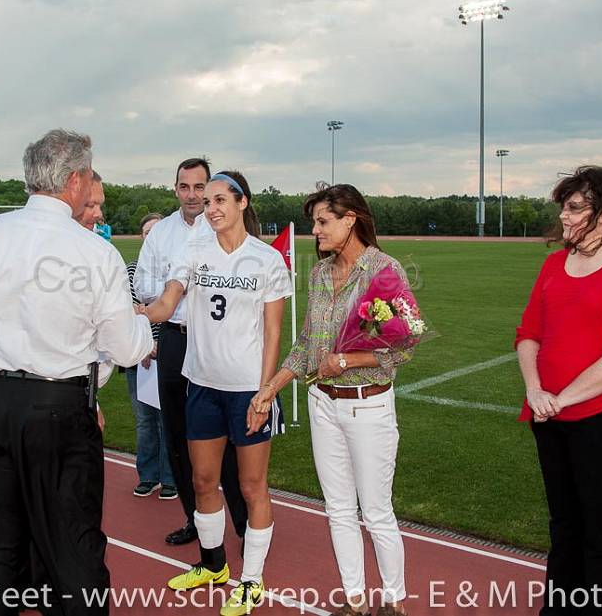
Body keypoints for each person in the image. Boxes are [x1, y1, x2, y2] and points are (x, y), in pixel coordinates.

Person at [0, 128, 154, 616]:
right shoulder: (95, 252)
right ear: (74, 180)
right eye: (89, 175)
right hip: (59, 413)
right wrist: (144, 331)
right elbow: (122, 346)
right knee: (73, 557)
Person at [256, 184, 414, 616]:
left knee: (377, 512)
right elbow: (307, 342)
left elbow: (404, 344)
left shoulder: (384, 270)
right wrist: (271, 386)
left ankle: (395, 603)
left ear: (351, 220)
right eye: (314, 222)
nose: (316, 230)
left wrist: (346, 360)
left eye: (323, 221)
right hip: (323, 405)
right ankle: (355, 601)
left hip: (368, 405)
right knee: (338, 509)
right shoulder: (320, 273)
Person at [142, 171, 291, 616]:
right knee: (203, 480)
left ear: (243, 203)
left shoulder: (266, 260)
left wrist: (264, 393)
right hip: (201, 385)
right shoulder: (194, 251)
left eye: (221, 199)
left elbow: (273, 332)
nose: (211, 208)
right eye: (207, 201)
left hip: (246, 389)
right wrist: (135, 313)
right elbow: (168, 303)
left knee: (250, 485)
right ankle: (213, 564)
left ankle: (252, 579)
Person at [515, 166, 602, 616]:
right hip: (549, 418)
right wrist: (536, 390)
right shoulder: (554, 264)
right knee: (566, 525)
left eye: (575, 207)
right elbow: (528, 333)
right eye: (564, 206)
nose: (565, 217)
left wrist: (562, 398)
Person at [134, 158, 250, 547]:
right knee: (179, 435)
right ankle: (195, 519)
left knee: (228, 434)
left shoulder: (221, 225)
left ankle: (244, 522)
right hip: (174, 338)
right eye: (184, 187)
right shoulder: (161, 234)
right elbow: (147, 288)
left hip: (215, 338)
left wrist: (185, 291)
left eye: (200, 187)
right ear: (175, 189)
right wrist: (178, 291)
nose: (193, 195)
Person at [125, 212, 177, 499]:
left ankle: (171, 477)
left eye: (156, 231)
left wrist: (160, 345)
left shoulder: (177, 268)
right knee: (144, 420)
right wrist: (146, 344)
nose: (151, 236)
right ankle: (148, 475)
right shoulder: (131, 270)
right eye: (147, 232)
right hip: (140, 357)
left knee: (167, 420)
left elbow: (173, 311)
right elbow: (129, 310)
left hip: (169, 356)